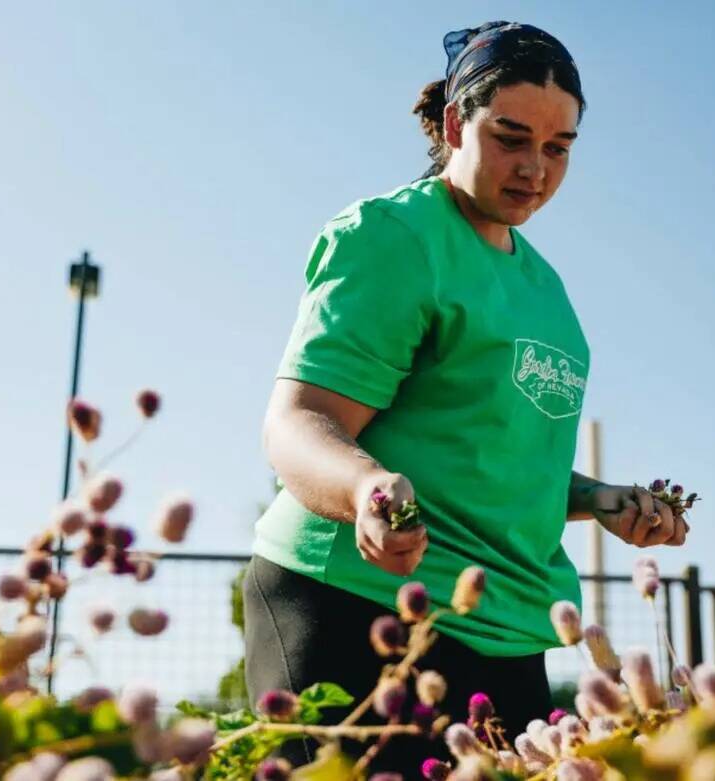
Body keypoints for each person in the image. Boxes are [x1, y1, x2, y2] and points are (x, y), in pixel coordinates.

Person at [244, 20, 687, 776]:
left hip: (509, 629)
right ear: (455, 123)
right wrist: (365, 488)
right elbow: (298, 423)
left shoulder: (549, 293)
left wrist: (602, 499)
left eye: (558, 148)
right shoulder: (395, 237)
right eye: (511, 137)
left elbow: (489, 457)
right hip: (357, 604)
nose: (535, 169)